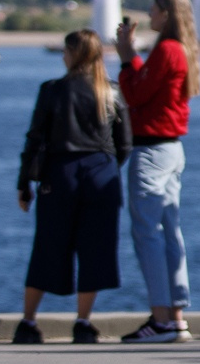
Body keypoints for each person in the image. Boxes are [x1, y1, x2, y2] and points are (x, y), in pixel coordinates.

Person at [14, 29, 132, 344]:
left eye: (66, 51)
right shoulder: (111, 91)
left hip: (60, 173)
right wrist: (106, 168)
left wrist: (24, 182)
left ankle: (27, 322)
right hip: (101, 174)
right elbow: (125, 145)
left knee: (48, 246)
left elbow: (35, 138)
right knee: (95, 248)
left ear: (72, 54)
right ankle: (82, 322)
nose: (63, 56)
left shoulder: (52, 90)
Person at [114, 0, 200, 343]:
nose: (149, 14)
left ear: (166, 13)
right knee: (169, 231)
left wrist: (126, 57)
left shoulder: (166, 50)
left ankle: (162, 316)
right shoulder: (182, 49)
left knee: (148, 233)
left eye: (153, 10)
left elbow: (135, 94)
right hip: (170, 149)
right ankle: (174, 315)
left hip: (152, 150)